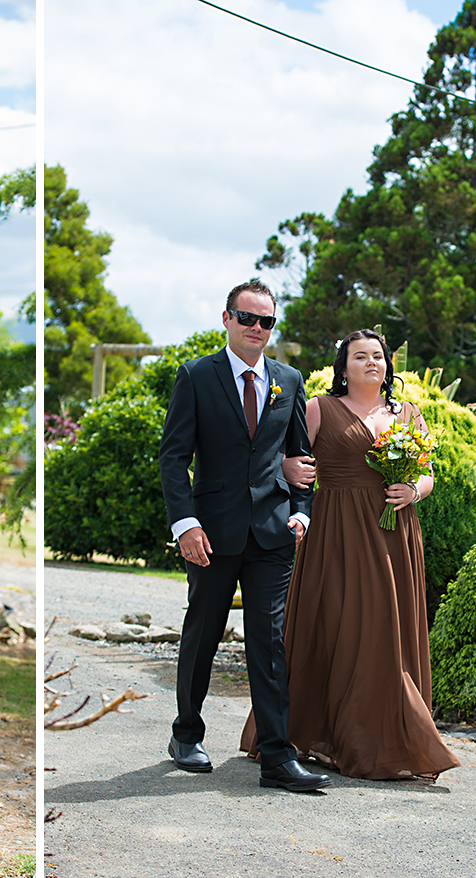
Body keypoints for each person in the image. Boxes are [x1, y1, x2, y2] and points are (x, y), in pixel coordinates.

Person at [240, 329, 460, 779]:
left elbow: (428, 474)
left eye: (378, 356)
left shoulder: (407, 414)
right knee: (335, 623)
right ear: (343, 367)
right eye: (360, 356)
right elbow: (284, 458)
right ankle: (307, 732)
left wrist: (413, 489)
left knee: (385, 629)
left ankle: (380, 738)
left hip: (393, 533)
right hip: (335, 532)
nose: (372, 363)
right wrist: (287, 470)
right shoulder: (321, 407)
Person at [158, 278, 330, 792]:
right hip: (210, 534)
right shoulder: (195, 376)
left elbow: (301, 458)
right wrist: (184, 523)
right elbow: (172, 458)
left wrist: (301, 511)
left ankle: (277, 756)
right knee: (203, 634)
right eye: (248, 318)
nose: (257, 328)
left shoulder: (289, 380)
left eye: (267, 321)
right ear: (227, 319)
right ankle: (186, 734)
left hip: (274, 534)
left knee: (269, 642)